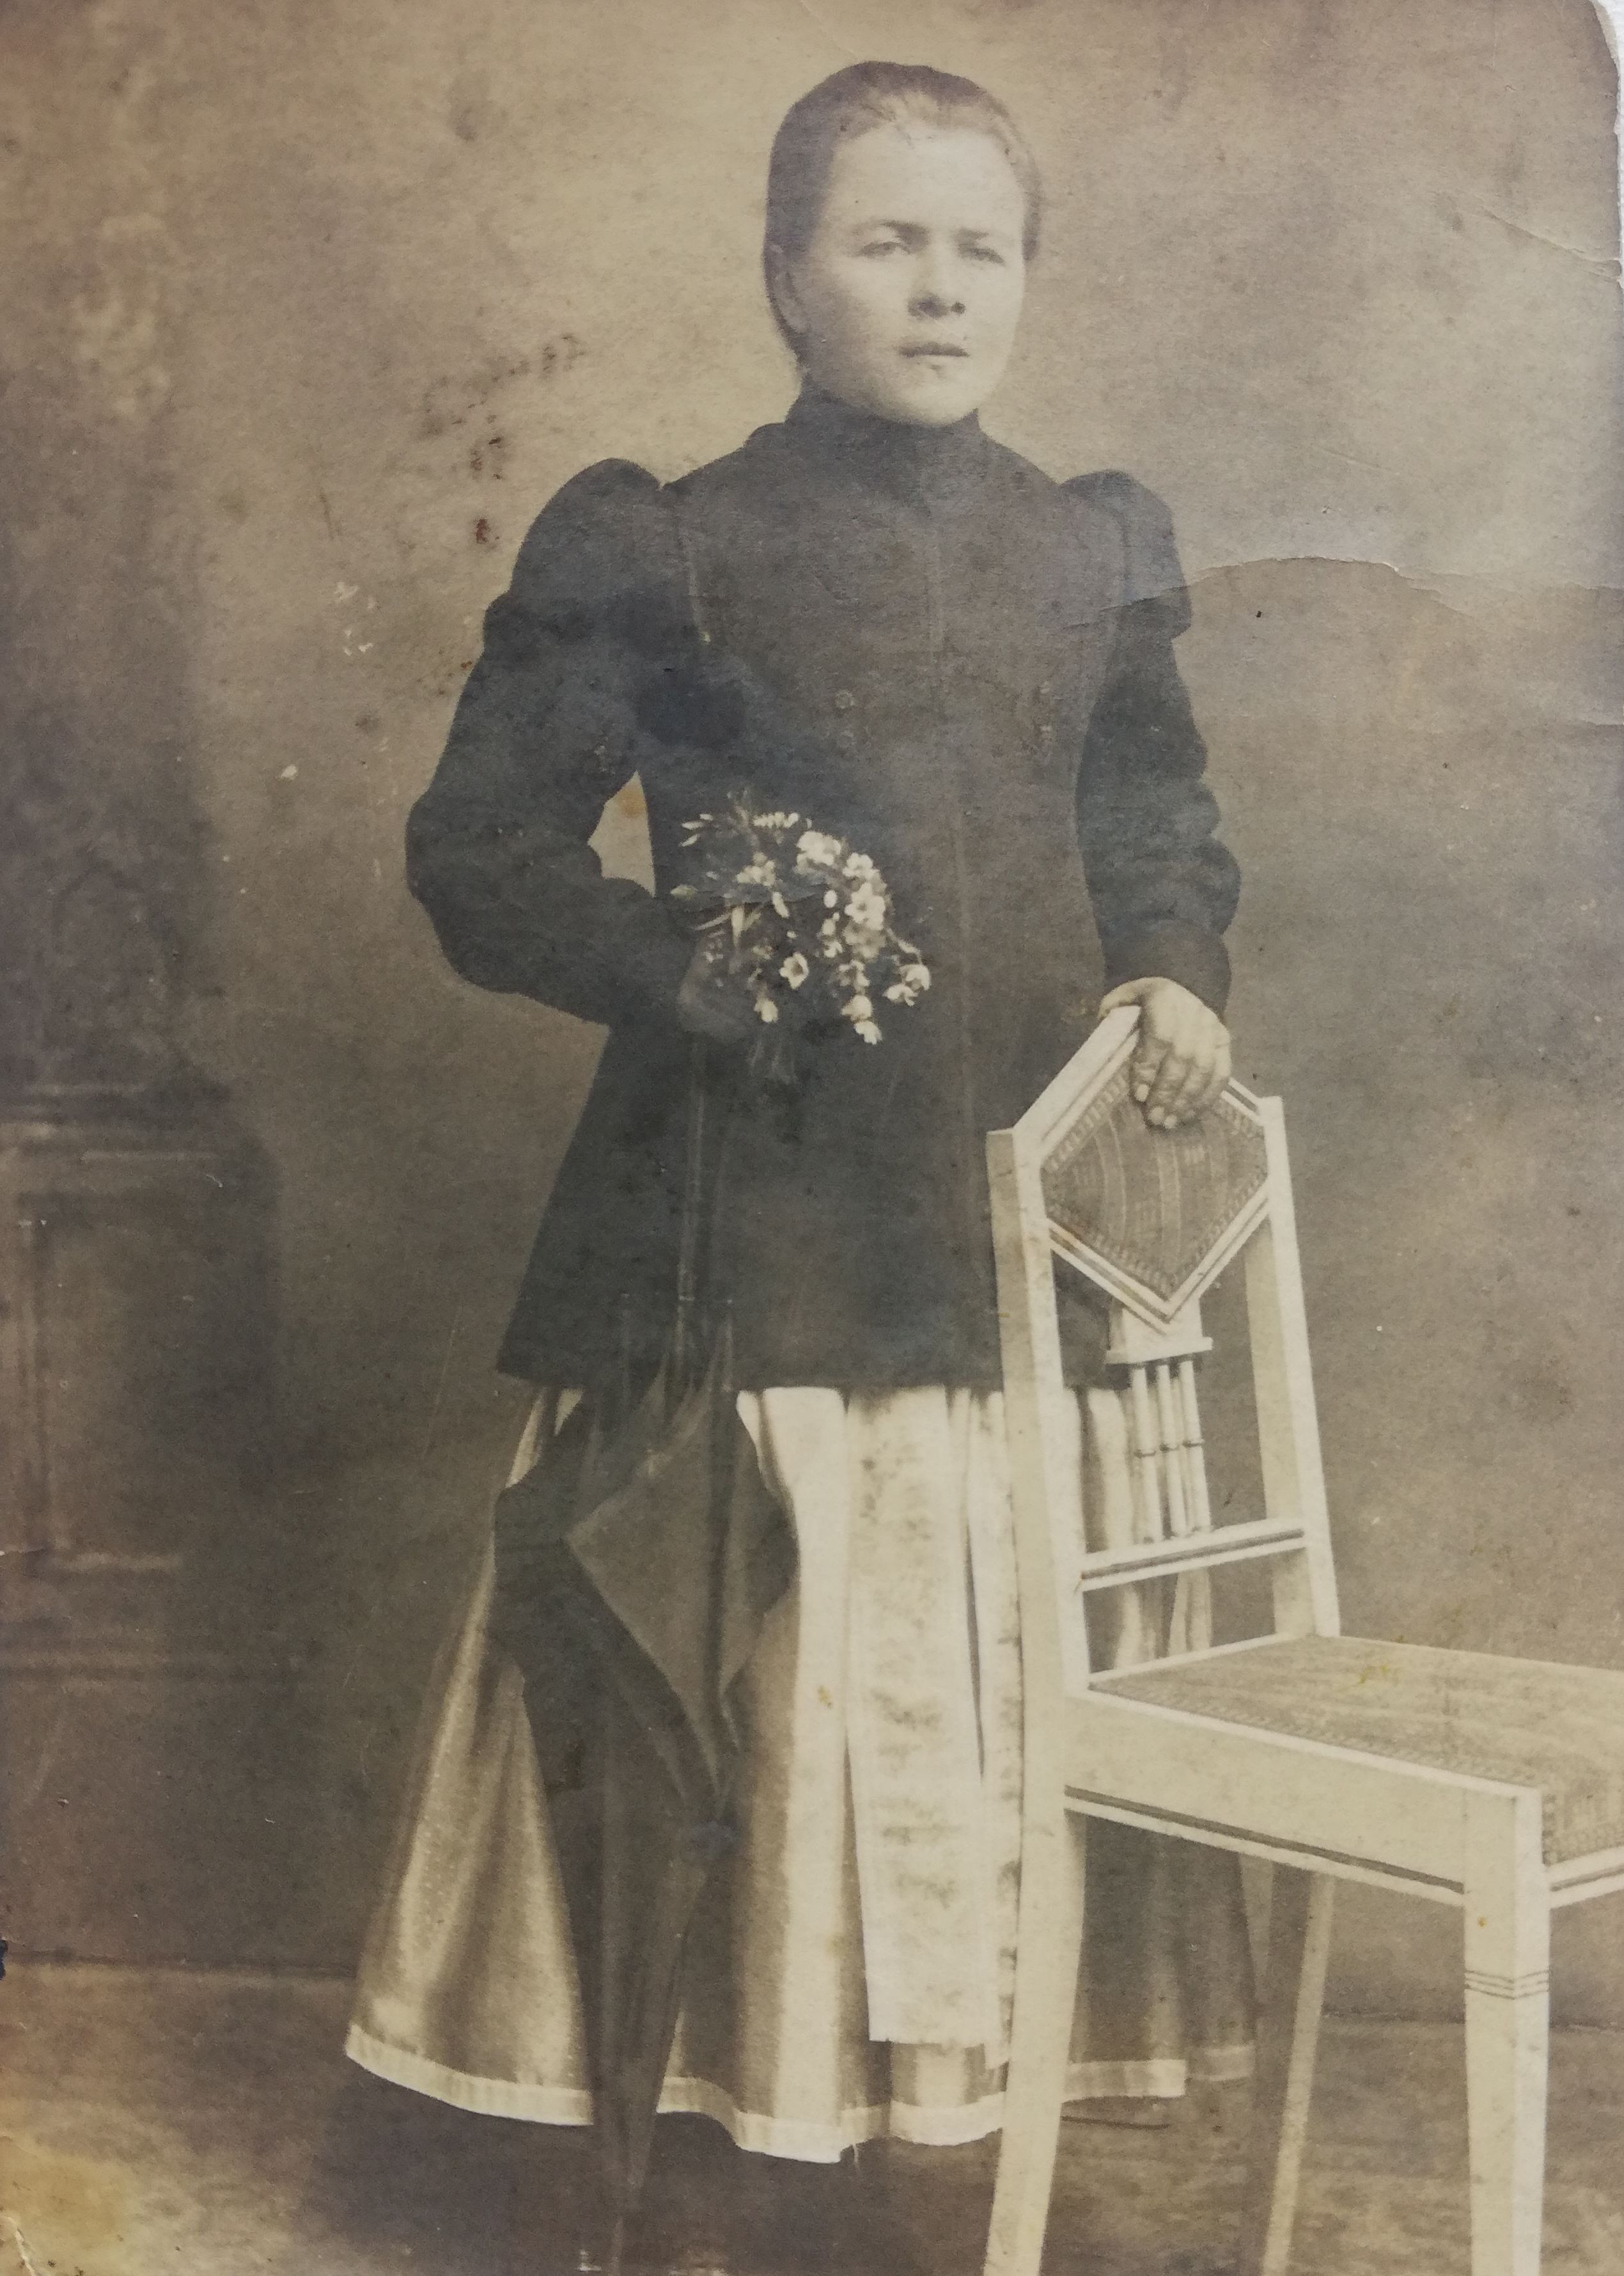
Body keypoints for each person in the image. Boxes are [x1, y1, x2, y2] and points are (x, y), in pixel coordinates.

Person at [348, 59, 1255, 2273]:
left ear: (1023, 281)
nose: (938, 288)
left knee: (968, 1644)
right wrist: (689, 973)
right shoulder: (667, 544)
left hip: (1008, 1215)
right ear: (782, 277)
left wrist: (1171, 963)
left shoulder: (1088, 546)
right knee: (746, 1663)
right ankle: (700, 2126)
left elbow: (1148, 809)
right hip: (739, 1232)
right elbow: (479, 851)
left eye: (979, 248)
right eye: (883, 241)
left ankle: (929, 2128)